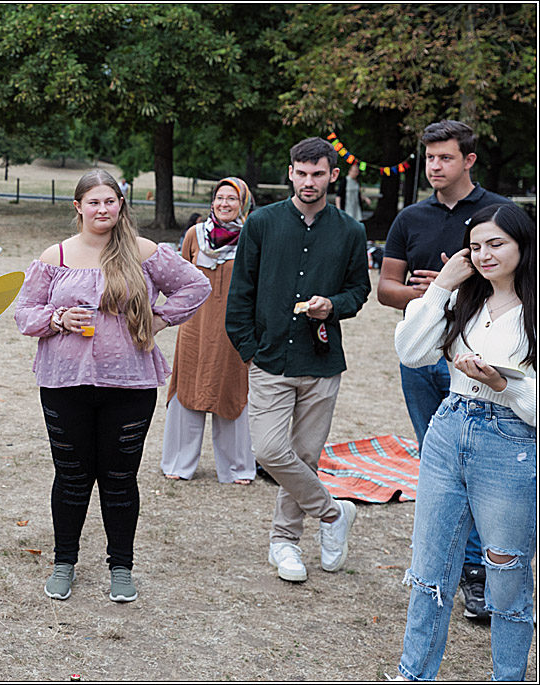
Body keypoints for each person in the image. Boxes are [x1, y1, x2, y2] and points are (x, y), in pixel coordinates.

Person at [15, 169, 210, 603]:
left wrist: (157, 320)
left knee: (119, 478)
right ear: (78, 207)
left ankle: (121, 567)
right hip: (65, 383)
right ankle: (64, 562)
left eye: (110, 201)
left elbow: (196, 285)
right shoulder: (57, 256)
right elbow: (24, 314)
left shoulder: (143, 252)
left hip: (130, 384)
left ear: (121, 205)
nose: (102, 209)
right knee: (71, 476)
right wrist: (58, 319)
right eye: (94, 202)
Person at [391, 203, 536, 681]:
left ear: (523, 245)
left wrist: (504, 385)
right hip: (449, 428)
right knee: (429, 568)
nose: (484, 255)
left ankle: (509, 676)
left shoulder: (532, 310)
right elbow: (412, 353)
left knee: (506, 572)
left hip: (511, 442)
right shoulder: (461, 299)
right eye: (476, 247)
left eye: (496, 244)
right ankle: (414, 674)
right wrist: (440, 287)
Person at [378, 119, 513, 622]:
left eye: (445, 158)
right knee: (438, 466)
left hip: (481, 361)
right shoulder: (410, 217)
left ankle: (478, 576)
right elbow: (385, 288)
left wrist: (461, 283)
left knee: (481, 468)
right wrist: (430, 293)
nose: (434, 167)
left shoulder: (499, 213)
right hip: (421, 356)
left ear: (469, 160)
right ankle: (443, 568)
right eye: (429, 158)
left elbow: (521, 280)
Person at [225, 137, 371, 584]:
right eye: (302, 173)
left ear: (331, 176)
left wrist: (335, 305)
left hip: (322, 362)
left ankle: (284, 542)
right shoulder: (263, 223)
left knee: (305, 457)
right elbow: (241, 292)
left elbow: (358, 291)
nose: (310, 182)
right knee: (269, 451)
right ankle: (332, 514)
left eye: (319, 174)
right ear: (290, 173)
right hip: (269, 360)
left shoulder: (350, 231)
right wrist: (250, 350)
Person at [162, 178, 255, 484]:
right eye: (220, 198)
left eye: (232, 199)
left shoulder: (251, 238)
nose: (224, 204)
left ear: (243, 203)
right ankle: (179, 463)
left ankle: (237, 468)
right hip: (195, 327)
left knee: (231, 391)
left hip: (233, 328)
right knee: (188, 388)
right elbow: (179, 277)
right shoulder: (195, 235)